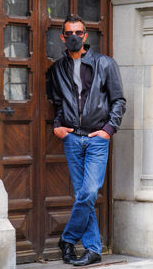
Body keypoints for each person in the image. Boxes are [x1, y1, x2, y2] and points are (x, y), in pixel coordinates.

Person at [47, 15, 126, 266]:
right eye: (69, 33)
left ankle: (68, 238)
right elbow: (57, 103)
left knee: (89, 192)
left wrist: (109, 129)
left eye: (78, 33)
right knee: (85, 195)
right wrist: (58, 127)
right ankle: (92, 249)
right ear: (63, 37)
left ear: (85, 36)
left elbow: (118, 100)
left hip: (97, 140)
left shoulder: (105, 64)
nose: (74, 37)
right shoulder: (57, 69)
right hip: (72, 139)